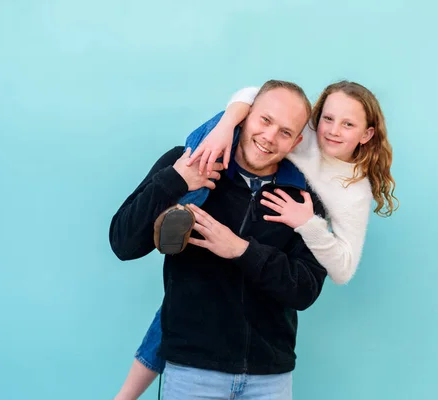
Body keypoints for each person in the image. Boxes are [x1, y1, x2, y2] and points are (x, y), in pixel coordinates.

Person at [114, 80, 398, 399]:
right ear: (245, 116)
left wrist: (241, 250)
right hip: (193, 373)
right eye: (264, 120)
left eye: (285, 132)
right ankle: (182, 208)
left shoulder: (304, 199)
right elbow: (123, 243)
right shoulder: (186, 161)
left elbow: (305, 290)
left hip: (269, 380)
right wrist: (176, 178)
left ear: (297, 141)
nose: (269, 137)